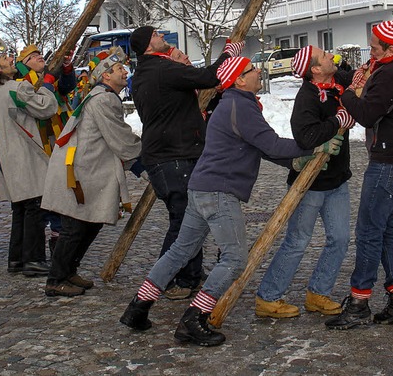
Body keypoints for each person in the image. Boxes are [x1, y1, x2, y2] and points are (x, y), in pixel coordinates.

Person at [120, 55, 342, 346]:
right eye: (252, 70)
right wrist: (314, 146)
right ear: (239, 79)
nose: (258, 71)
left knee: (179, 251)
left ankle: (138, 308)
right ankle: (194, 319)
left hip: (201, 188)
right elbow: (270, 143)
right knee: (235, 260)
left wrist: (297, 160)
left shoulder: (234, 103)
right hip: (218, 192)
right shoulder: (240, 105)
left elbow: (260, 145)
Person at [130, 25, 242, 300]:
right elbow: (208, 76)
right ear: (147, 45)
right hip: (171, 158)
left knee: (192, 218)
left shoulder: (153, 70)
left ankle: (189, 275)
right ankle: (169, 279)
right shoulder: (159, 69)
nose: (162, 37)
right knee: (182, 222)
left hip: (174, 154)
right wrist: (229, 53)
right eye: (156, 35)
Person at [325, 21, 393, 330]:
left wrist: (348, 93)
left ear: (391, 49)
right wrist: (365, 72)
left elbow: (365, 113)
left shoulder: (390, 75)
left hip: (389, 163)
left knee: (368, 231)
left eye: (375, 48)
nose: (371, 52)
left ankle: (359, 303)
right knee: (385, 230)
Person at [256, 45, 354, 319]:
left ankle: (318, 293)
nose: (331, 56)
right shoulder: (307, 97)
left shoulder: (335, 85)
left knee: (341, 239)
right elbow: (305, 138)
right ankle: (268, 297)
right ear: (315, 70)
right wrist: (337, 121)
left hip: (337, 180)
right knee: (297, 241)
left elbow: (356, 77)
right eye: (324, 56)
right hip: (309, 184)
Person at [42, 47, 143, 297]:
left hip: (88, 170)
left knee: (90, 223)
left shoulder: (103, 96)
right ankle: (56, 279)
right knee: (75, 227)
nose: (125, 71)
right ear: (106, 75)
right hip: (80, 172)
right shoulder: (103, 99)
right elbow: (119, 139)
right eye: (119, 68)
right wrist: (144, 160)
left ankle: (68, 271)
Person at [0, 38, 58, 277]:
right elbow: (46, 108)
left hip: (3, 159)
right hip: (25, 156)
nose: (12, 59)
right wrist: (48, 87)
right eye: (6, 58)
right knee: (35, 208)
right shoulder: (16, 88)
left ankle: (16, 258)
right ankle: (34, 259)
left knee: (20, 208)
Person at [14, 43, 76, 257]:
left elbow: (66, 88)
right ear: (25, 63)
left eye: (40, 54)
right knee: (46, 192)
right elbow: (37, 105)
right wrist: (47, 84)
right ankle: (51, 239)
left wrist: (66, 68)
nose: (40, 57)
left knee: (61, 184)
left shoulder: (50, 76)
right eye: (34, 56)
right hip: (39, 142)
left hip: (59, 138)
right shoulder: (21, 83)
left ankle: (59, 236)